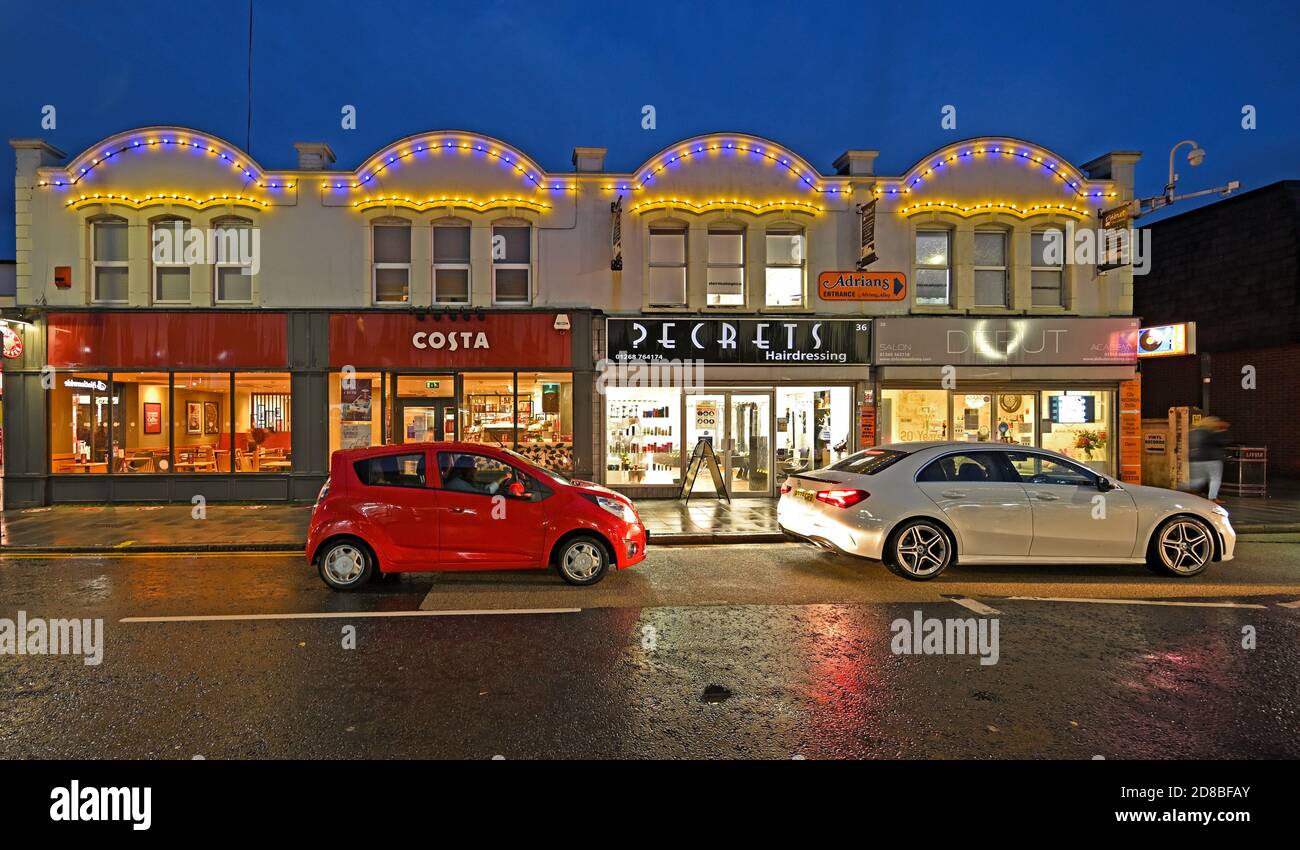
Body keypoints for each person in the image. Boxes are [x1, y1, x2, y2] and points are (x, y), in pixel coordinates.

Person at [1187, 416, 1232, 502]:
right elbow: (1223, 441)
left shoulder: (1193, 432)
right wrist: (1222, 429)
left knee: (1198, 480)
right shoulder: (1210, 432)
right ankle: (1213, 498)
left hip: (1196, 459)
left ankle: (1184, 489)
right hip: (1212, 459)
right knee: (1215, 478)